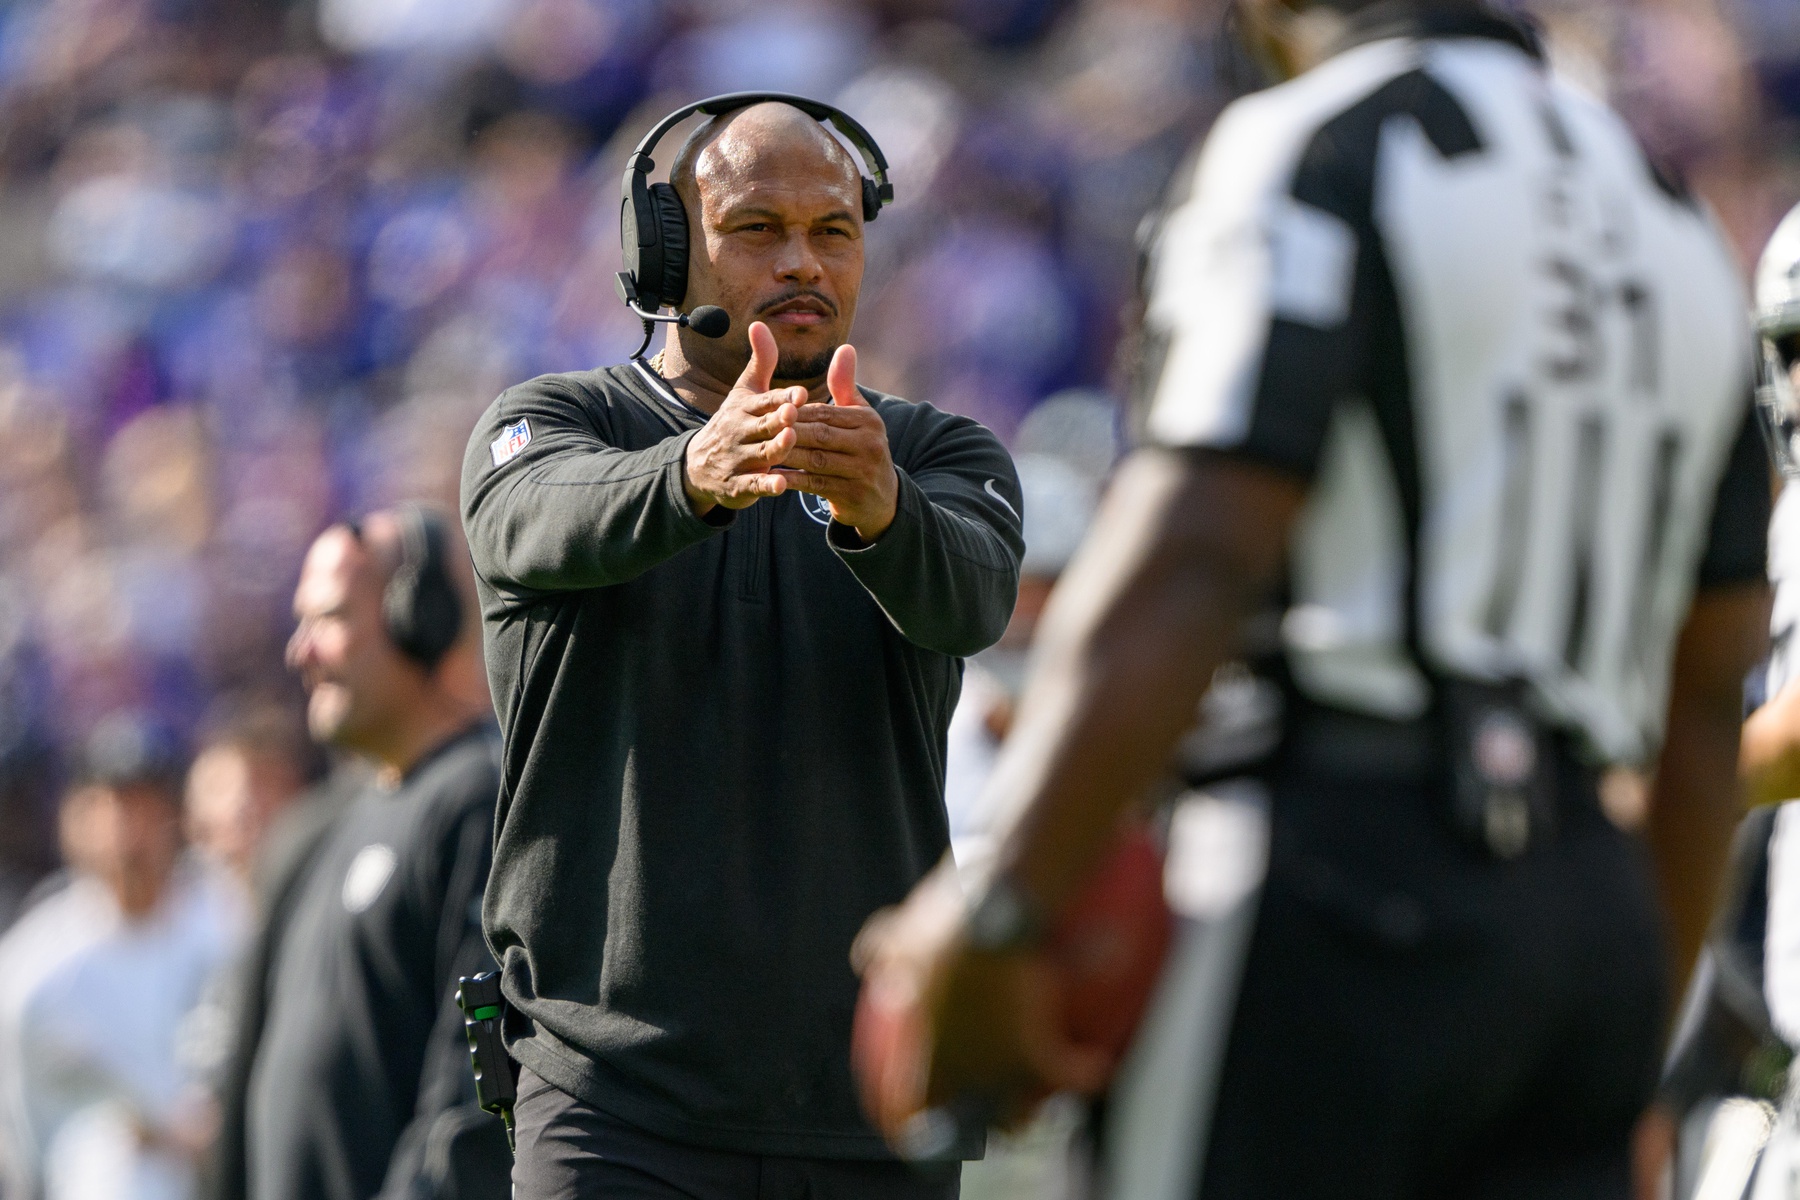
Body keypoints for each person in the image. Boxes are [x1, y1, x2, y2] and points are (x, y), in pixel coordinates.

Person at [854, 1, 1774, 1196]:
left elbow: (1198, 553)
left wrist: (999, 911)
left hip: (1333, 884)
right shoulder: (1672, 216)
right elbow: (1705, 695)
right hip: (1589, 915)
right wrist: (1621, 1040)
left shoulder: (1315, 143)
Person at [460, 95, 1023, 1200]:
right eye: (757, 228)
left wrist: (883, 513)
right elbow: (535, 520)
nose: (803, 260)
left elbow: (973, 602)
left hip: (872, 1104)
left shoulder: (935, 451)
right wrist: (690, 475)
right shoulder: (554, 420)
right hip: (613, 1102)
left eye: (834, 230)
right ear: (663, 253)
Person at [208, 505, 508, 1200]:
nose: (299, 652)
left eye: (330, 620)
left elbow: (474, 1087)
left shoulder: (479, 801)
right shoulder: (319, 830)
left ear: (420, 618)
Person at [0, 713, 243, 1200]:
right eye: (113, 808)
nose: (131, 831)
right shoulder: (34, 967)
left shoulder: (233, 926)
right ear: (75, 819)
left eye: (146, 807)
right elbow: (23, 1135)